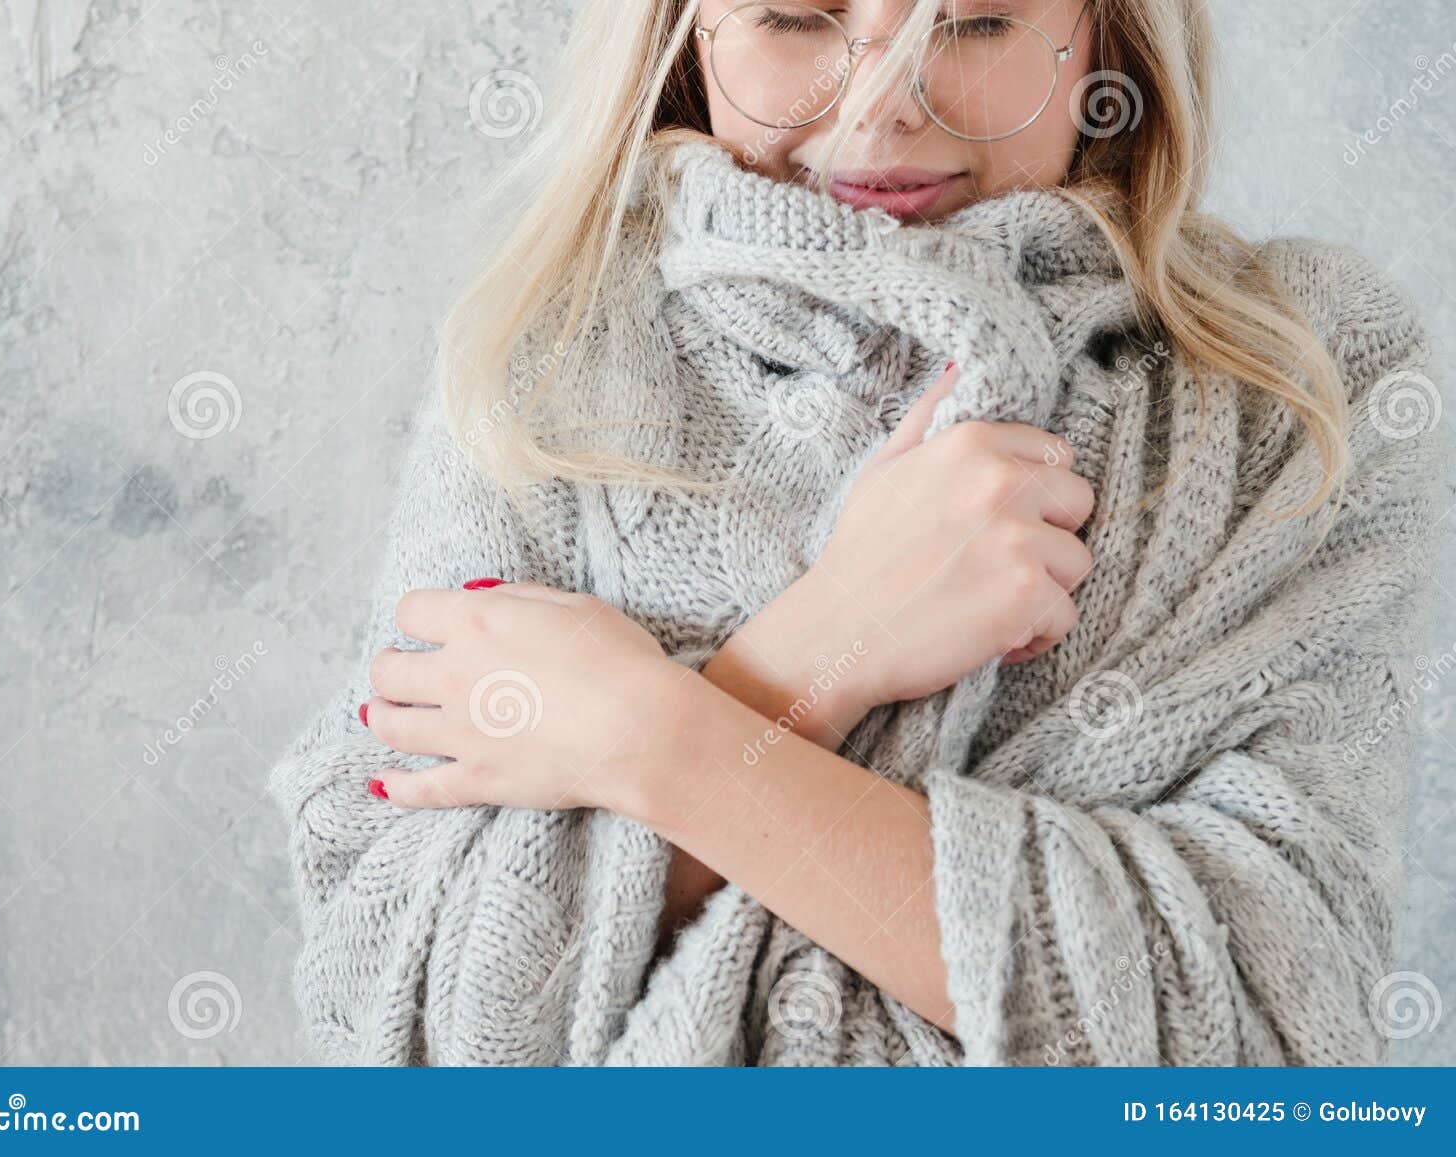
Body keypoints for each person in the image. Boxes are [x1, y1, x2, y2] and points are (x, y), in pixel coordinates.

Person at [271, 0, 1447, 1065]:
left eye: (976, 23)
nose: (883, 110)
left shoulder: (1299, 385)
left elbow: (1271, 1046)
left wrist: (645, 736)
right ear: (684, 33)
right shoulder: (543, 366)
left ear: (1105, 35)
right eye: (794, 17)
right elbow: (405, 1030)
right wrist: (826, 641)